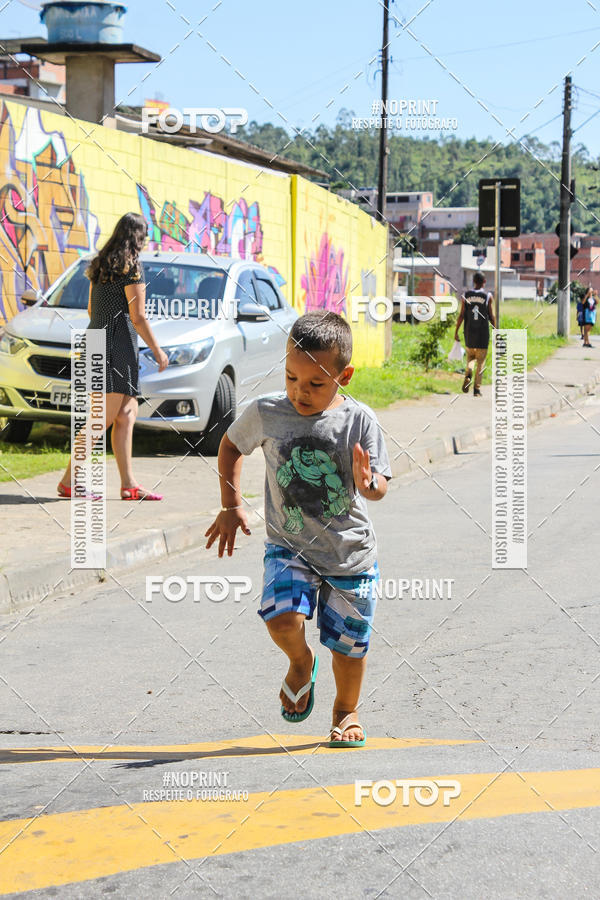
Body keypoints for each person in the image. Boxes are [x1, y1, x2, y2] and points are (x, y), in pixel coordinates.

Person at [205, 311, 391, 747]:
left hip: (349, 554)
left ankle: (345, 711)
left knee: (349, 647)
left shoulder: (360, 420)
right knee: (282, 619)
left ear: (344, 376)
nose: (299, 391)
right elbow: (231, 445)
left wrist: (368, 483)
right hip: (289, 546)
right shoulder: (267, 412)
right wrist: (230, 504)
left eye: (315, 383)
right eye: (291, 377)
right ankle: (301, 661)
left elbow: (379, 485)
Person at [58, 212, 168, 500]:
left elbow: (91, 310)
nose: (146, 240)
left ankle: (129, 485)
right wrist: (158, 351)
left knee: (126, 415)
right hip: (116, 348)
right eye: (145, 235)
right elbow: (138, 316)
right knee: (101, 418)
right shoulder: (132, 267)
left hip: (96, 340)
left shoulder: (100, 264)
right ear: (138, 236)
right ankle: (69, 481)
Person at [453, 271, 496, 397]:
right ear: (484, 282)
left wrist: (456, 331)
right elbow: (491, 316)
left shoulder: (466, 295)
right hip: (482, 334)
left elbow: (461, 315)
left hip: (469, 333)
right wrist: (496, 330)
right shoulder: (487, 296)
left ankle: (469, 371)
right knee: (481, 362)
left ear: (473, 281)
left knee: (470, 358)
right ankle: (476, 389)